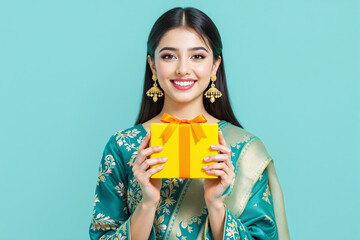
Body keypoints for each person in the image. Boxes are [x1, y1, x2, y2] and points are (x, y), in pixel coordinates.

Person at [89, 7, 290, 240]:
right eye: (168, 56)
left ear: (215, 65)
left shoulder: (245, 149)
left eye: (197, 56)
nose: (183, 69)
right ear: (153, 65)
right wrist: (147, 203)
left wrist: (216, 205)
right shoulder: (122, 147)